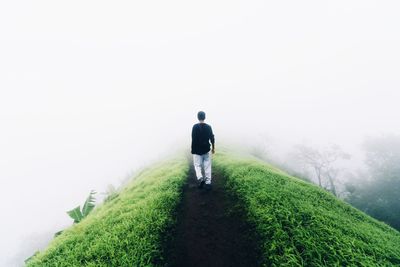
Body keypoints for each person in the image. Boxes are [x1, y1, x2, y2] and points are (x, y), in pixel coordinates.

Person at [191, 111, 215, 190]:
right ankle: (208, 182)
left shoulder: (194, 127)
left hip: (197, 150)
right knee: (207, 165)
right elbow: (212, 138)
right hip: (206, 149)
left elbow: (193, 139)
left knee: (197, 165)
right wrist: (213, 148)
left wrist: (192, 150)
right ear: (204, 117)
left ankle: (200, 178)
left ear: (198, 117)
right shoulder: (208, 127)